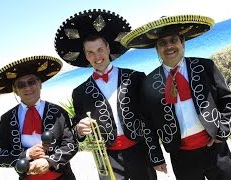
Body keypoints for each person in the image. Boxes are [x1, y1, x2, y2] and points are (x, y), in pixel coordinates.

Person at [121, 15, 231, 180]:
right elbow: (146, 122)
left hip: (216, 148)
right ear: (157, 48)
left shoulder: (205, 66)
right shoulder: (148, 82)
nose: (169, 46)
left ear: (182, 42)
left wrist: (223, 131)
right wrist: (156, 155)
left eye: (173, 40)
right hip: (181, 156)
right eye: (162, 43)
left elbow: (227, 99)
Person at [54, 9, 157, 180]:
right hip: (108, 157)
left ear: (108, 48)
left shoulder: (135, 78)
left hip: (140, 151)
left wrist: (156, 153)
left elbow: (150, 116)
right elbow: (76, 128)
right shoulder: (79, 93)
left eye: (100, 49)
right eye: (91, 52)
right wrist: (79, 129)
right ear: (85, 56)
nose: (97, 56)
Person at [0, 55, 78, 180]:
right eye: (21, 85)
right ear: (15, 90)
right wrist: (27, 154)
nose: (27, 88)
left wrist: (49, 161)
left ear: (40, 83)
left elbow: (71, 144)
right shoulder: (7, 119)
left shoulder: (58, 112)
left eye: (31, 82)